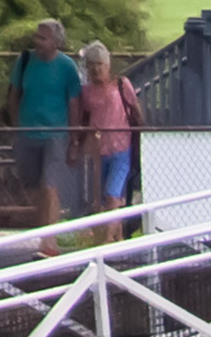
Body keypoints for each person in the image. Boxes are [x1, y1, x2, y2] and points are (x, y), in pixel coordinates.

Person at [13, 18, 82, 222]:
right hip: (27, 134)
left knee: (50, 186)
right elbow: (13, 95)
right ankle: (46, 228)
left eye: (42, 38)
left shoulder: (67, 67)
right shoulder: (24, 61)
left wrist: (74, 140)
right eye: (37, 36)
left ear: (56, 43)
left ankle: (49, 237)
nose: (37, 41)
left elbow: (75, 104)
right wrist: (17, 127)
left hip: (56, 135)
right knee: (32, 189)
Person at [79, 29, 141, 220]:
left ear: (107, 65)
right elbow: (83, 119)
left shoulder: (121, 85)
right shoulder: (86, 92)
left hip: (121, 149)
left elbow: (137, 113)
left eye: (99, 64)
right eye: (91, 65)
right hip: (98, 153)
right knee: (102, 201)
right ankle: (115, 233)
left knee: (112, 195)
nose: (96, 69)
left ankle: (108, 235)